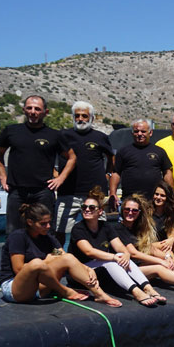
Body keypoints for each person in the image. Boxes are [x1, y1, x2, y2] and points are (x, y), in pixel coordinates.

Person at [0, 201, 120, 306]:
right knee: (37, 264)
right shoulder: (18, 237)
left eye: (49, 222)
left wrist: (87, 269)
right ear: (30, 222)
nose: (48, 226)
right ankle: (65, 291)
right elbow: (18, 269)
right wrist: (46, 261)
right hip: (16, 288)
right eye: (43, 224)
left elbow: (64, 256)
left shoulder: (48, 238)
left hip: (40, 287)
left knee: (67, 257)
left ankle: (100, 294)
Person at [0, 95, 75, 233]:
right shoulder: (11, 131)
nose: (33, 112)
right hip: (16, 191)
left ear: (45, 112)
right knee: (13, 233)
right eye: (29, 108)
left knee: (45, 232)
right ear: (24, 110)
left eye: (37, 109)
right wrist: (2, 176)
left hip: (43, 191)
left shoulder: (54, 135)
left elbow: (72, 157)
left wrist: (60, 179)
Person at [68, 187, 161, 307]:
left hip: (98, 270)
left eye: (91, 208)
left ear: (100, 211)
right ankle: (136, 291)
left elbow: (120, 248)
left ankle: (148, 288)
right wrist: (114, 257)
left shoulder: (106, 227)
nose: (87, 210)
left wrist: (126, 254)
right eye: (84, 207)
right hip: (81, 273)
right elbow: (89, 252)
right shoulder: (78, 228)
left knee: (120, 256)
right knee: (111, 261)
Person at [53, 101, 114, 244]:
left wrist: (107, 174)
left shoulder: (101, 137)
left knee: (99, 229)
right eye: (77, 116)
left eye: (84, 116)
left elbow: (111, 158)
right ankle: (60, 258)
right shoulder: (62, 135)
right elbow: (46, 155)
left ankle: (98, 258)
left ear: (91, 118)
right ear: (73, 117)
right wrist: (55, 174)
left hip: (95, 193)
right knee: (59, 230)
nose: (80, 119)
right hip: (68, 192)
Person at [109, 119, 173, 205]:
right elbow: (116, 173)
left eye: (143, 131)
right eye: (136, 131)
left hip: (153, 200)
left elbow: (167, 173)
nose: (139, 134)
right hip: (129, 200)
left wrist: (170, 194)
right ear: (132, 133)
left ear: (150, 133)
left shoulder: (159, 151)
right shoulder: (123, 151)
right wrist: (113, 193)